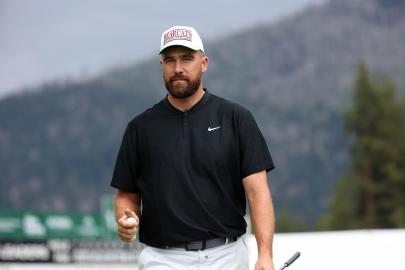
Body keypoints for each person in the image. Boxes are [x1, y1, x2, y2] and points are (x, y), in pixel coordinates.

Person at [111, 25, 276, 270]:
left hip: (227, 256)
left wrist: (265, 255)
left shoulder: (236, 118)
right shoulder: (140, 128)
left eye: (187, 59)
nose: (178, 69)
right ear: (162, 66)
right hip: (162, 258)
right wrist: (126, 219)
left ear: (204, 63)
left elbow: (258, 193)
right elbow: (126, 195)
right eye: (170, 60)